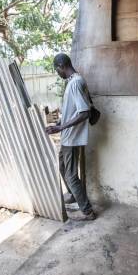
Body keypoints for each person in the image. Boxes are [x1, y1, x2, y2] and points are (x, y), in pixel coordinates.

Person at [45, 53, 96, 221]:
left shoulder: (75, 83)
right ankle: (74, 195)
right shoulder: (74, 81)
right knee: (61, 166)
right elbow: (73, 110)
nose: (57, 73)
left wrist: (61, 126)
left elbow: (84, 113)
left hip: (72, 138)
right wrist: (60, 122)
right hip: (68, 136)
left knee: (71, 175)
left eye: (56, 70)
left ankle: (87, 211)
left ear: (61, 66)